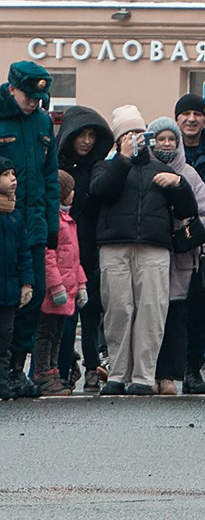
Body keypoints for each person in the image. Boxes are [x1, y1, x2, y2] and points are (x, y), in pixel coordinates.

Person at [86, 106, 198, 395]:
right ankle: (117, 374)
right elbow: (101, 192)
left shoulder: (161, 169)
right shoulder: (105, 167)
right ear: (118, 139)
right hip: (114, 246)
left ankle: (144, 376)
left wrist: (179, 184)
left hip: (154, 247)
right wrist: (122, 160)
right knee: (118, 310)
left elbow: (187, 210)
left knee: (151, 310)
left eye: (139, 133)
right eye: (128, 134)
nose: (135, 138)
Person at [1, 61, 58, 388]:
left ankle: (15, 369)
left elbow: (50, 177)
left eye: (39, 98)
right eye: (28, 97)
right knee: (4, 299)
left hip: (33, 226)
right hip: (3, 226)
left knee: (32, 298)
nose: (34, 103)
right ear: (12, 89)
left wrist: (51, 225)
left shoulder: (42, 122)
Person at [149, 119, 205, 396]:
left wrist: (197, 244)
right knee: (150, 318)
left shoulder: (189, 174)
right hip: (150, 257)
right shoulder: (143, 171)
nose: (166, 144)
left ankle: (171, 375)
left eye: (171, 139)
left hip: (183, 261)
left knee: (179, 321)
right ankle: (148, 373)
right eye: (161, 139)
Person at [51, 104, 110, 390]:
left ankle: (92, 366)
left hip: (90, 247)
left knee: (91, 311)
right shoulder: (56, 168)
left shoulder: (98, 168)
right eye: (81, 135)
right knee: (63, 314)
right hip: (62, 248)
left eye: (92, 136)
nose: (86, 141)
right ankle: (63, 367)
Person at [30, 167, 86, 397]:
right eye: (70, 190)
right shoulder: (53, 221)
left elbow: (75, 258)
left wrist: (81, 284)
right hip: (54, 291)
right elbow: (48, 257)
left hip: (67, 290)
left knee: (57, 334)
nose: (73, 194)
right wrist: (55, 286)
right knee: (45, 333)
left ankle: (53, 370)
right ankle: (42, 373)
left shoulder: (68, 220)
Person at [0, 159, 40, 399]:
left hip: (9, 291)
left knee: (5, 337)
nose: (12, 178)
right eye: (5, 174)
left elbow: (24, 253)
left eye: (13, 174)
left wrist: (27, 283)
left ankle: (3, 383)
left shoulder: (15, 216)